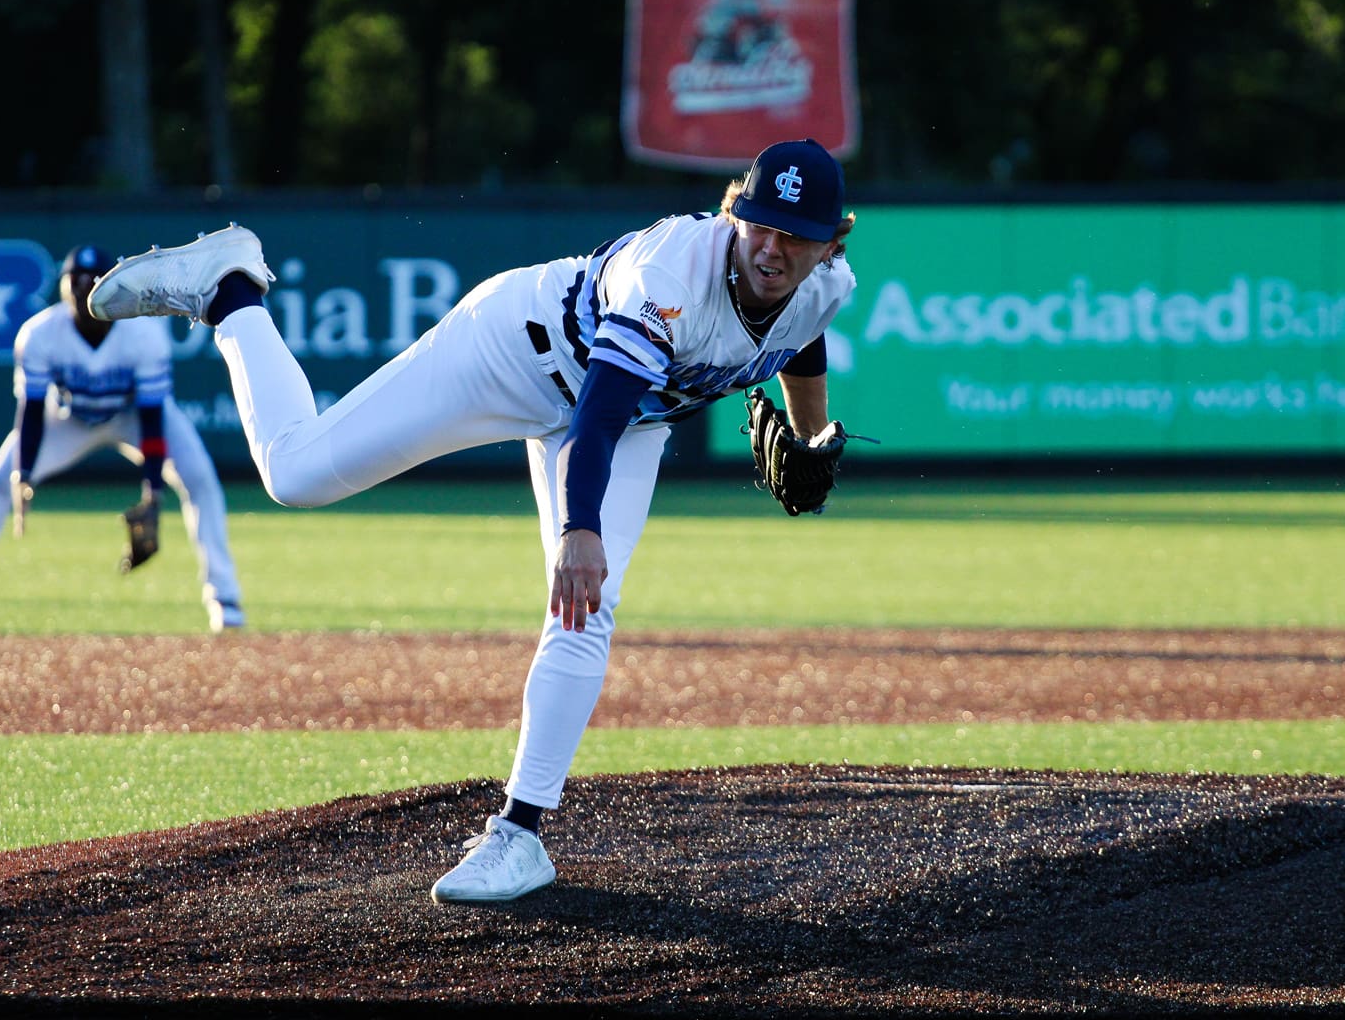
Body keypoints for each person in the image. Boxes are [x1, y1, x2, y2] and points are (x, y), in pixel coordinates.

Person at [86, 139, 857, 902]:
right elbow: (596, 415)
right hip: (514, 352)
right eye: (760, 223)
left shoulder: (826, 285)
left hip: (630, 422)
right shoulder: (672, 273)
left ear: (832, 243)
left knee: (590, 609)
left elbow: (801, 341)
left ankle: (518, 838)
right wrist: (577, 529)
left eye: (795, 235)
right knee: (294, 473)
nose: (771, 246)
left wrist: (812, 435)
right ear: (735, 212)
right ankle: (228, 291)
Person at [0, 244, 245, 633]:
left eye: (95, 280)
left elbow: (153, 417)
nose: (85, 287)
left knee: (202, 481)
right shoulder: (39, 334)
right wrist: (24, 473)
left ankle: (224, 597)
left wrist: (152, 491)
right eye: (76, 279)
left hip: (132, 415)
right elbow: (32, 411)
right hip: (67, 419)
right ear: (63, 287)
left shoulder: (143, 334)